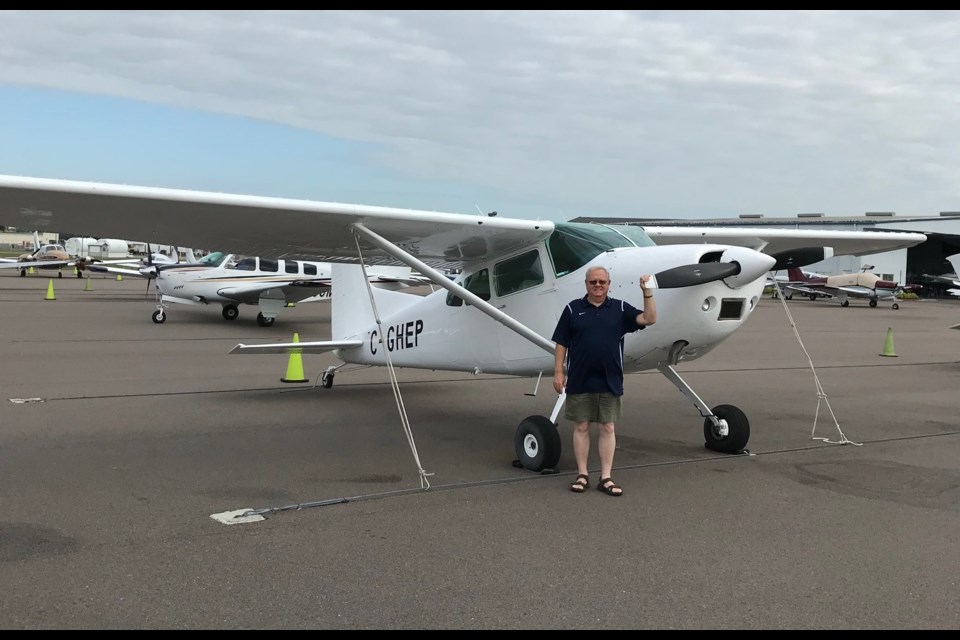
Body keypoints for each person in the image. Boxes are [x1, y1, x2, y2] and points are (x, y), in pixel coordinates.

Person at [551, 266, 657, 496]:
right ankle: (582, 474)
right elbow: (561, 342)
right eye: (593, 282)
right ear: (586, 284)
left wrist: (647, 292)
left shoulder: (619, 309)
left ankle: (606, 477)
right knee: (581, 426)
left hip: (610, 379)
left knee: (608, 427)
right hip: (580, 378)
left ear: (609, 284)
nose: (597, 286)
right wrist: (559, 372)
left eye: (602, 282)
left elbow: (649, 318)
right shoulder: (573, 309)